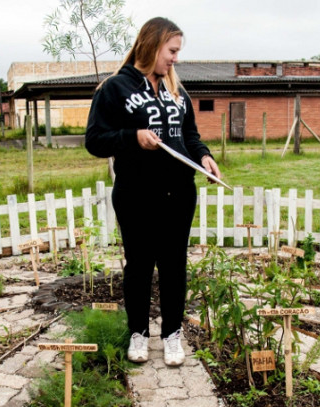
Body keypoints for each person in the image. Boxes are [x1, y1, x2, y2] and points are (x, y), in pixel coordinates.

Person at [85, 16, 221, 367]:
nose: (175, 58)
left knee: (174, 265)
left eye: (178, 52)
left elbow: (189, 137)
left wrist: (204, 156)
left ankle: (172, 334)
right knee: (140, 265)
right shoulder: (114, 89)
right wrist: (132, 137)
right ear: (152, 44)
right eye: (172, 50)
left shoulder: (178, 91)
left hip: (178, 194)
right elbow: (95, 140)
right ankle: (138, 334)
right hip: (136, 194)